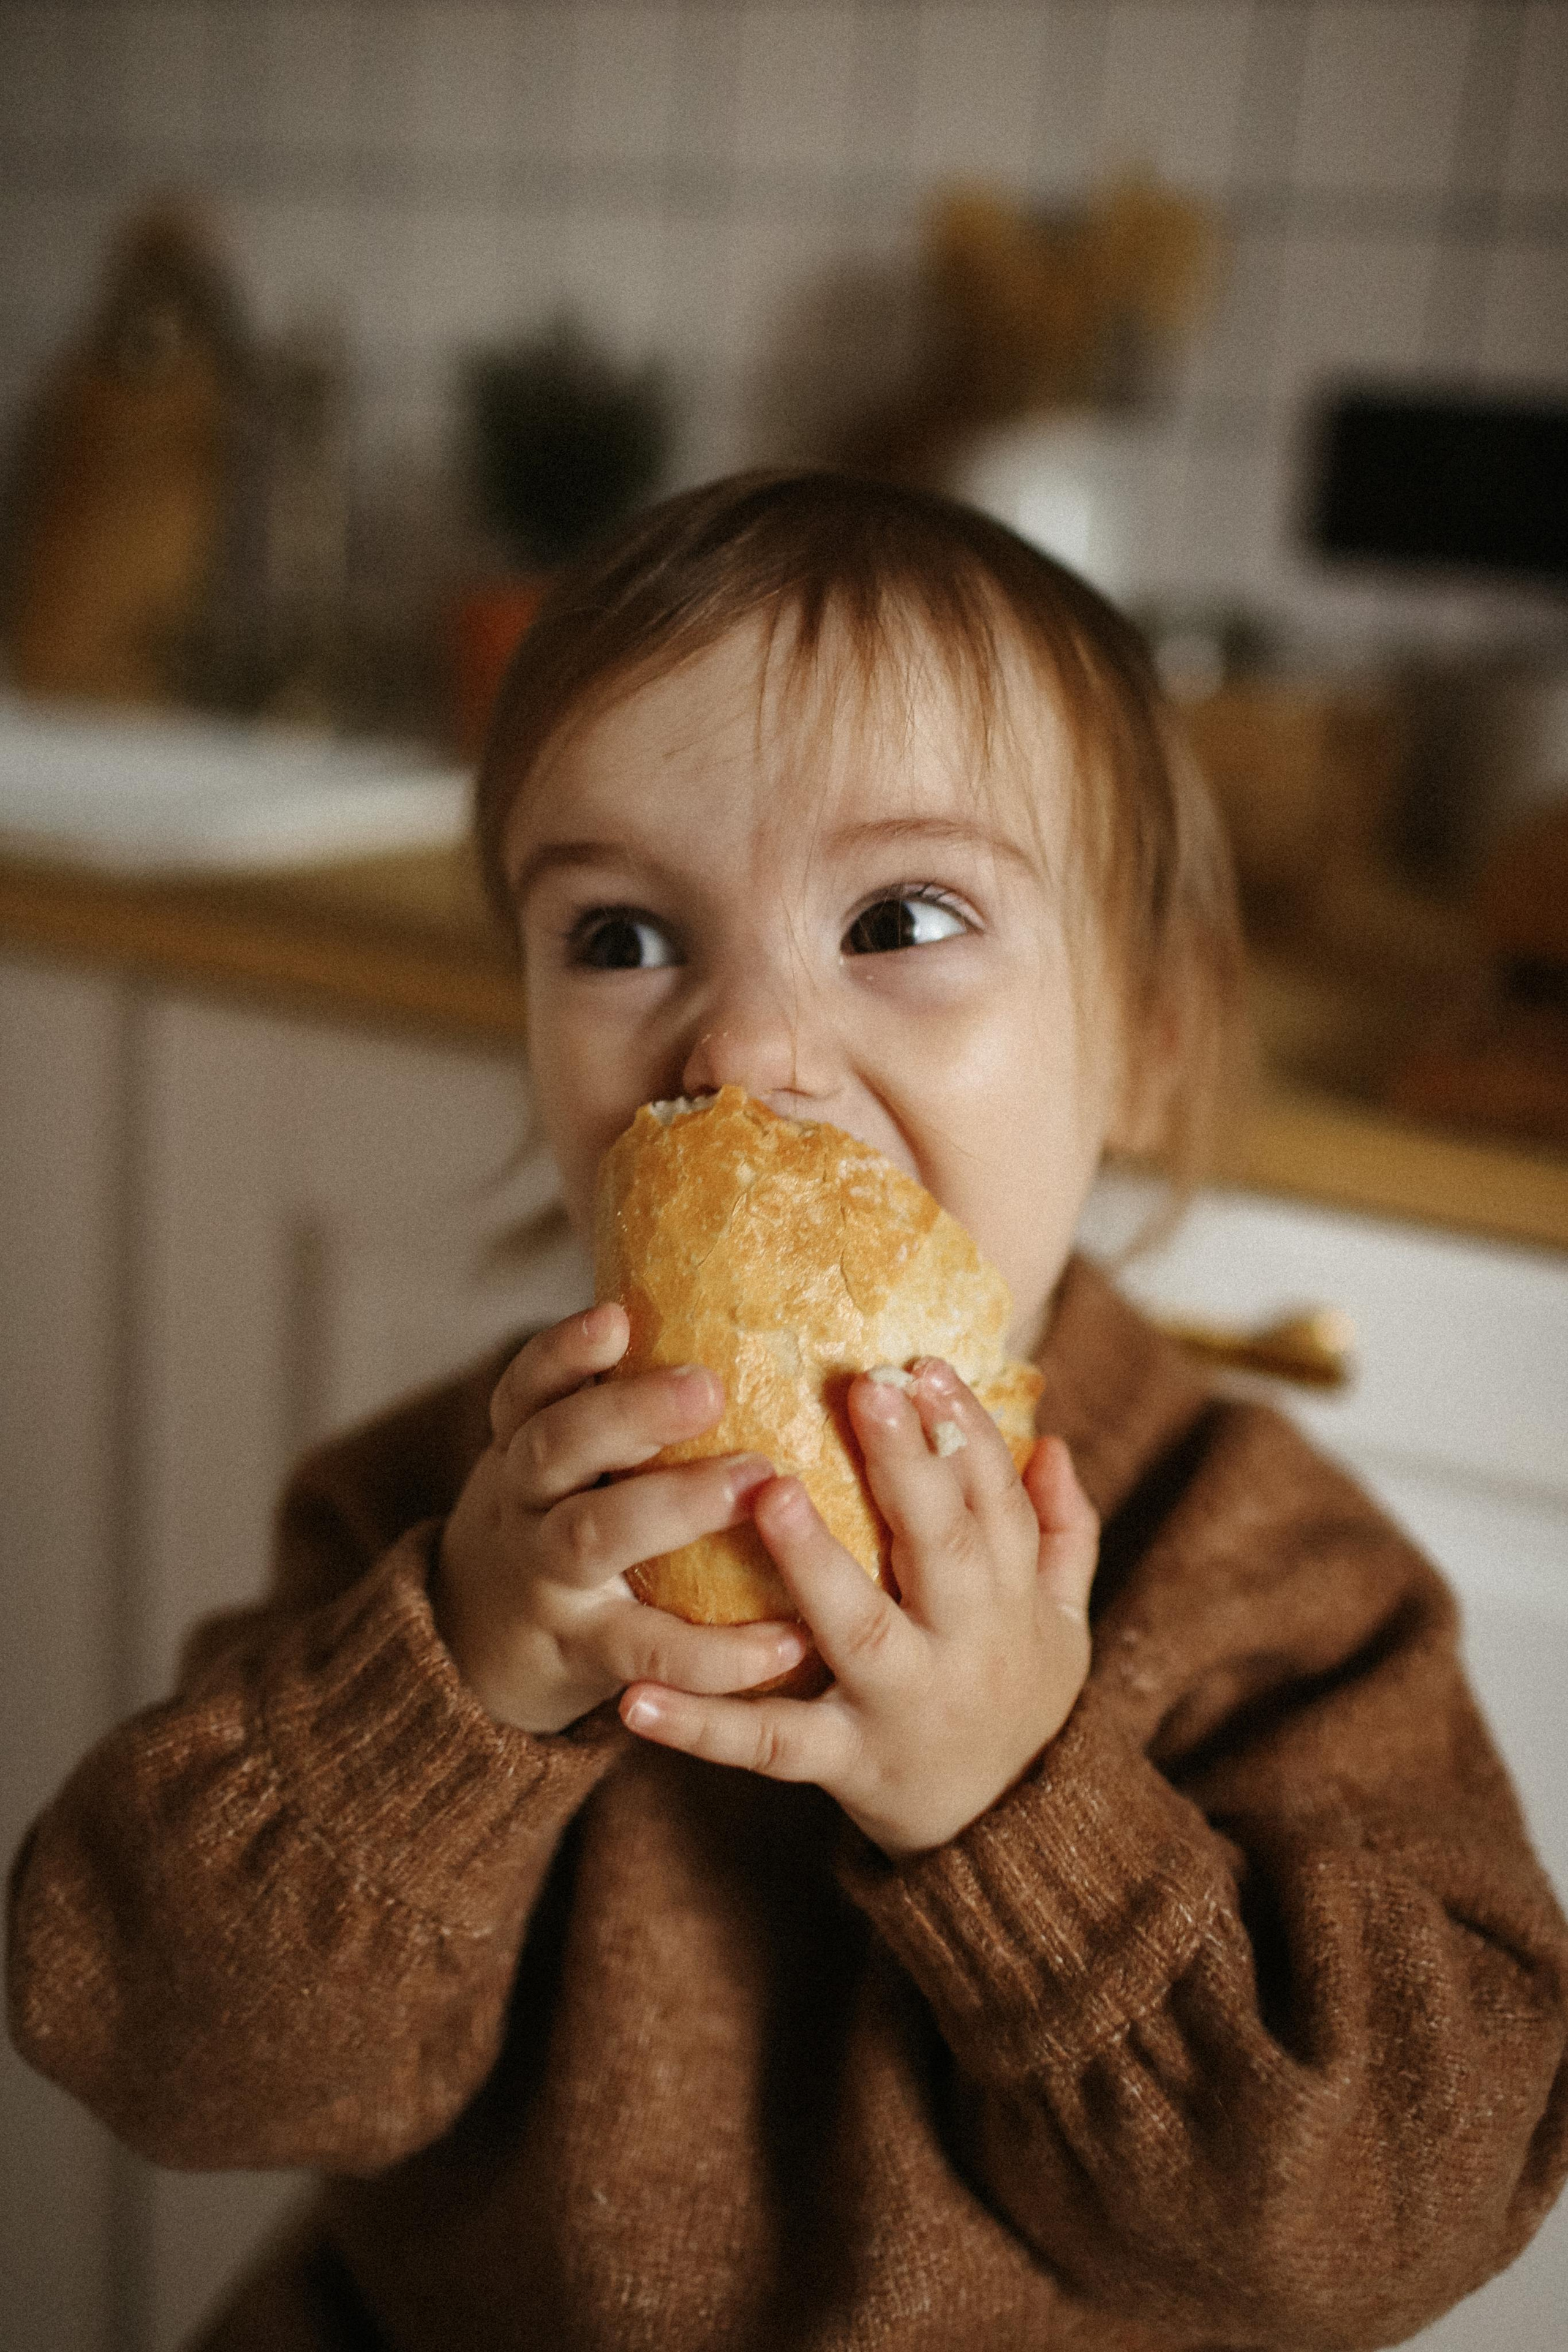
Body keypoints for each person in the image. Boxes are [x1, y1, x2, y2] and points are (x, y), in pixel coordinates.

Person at [9, 472, 1567, 2351]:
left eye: (903, 916)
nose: (740, 1050)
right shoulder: (449, 1517)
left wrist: (1022, 1814)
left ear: (1146, 1035)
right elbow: (154, 2046)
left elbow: (1419, 2209)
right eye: (618, 938)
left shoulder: (1260, 1563)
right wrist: (459, 1690)